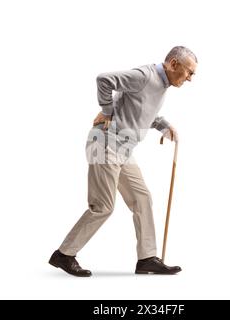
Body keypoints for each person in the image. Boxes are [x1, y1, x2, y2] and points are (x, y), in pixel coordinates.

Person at [49, 46, 198, 277]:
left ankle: (147, 259)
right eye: (189, 72)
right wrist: (107, 111)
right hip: (104, 142)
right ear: (174, 64)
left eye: (193, 75)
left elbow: (143, 112)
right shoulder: (144, 76)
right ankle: (64, 254)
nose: (190, 79)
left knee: (142, 198)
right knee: (103, 207)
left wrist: (164, 126)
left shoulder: (161, 86)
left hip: (123, 149)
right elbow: (104, 80)